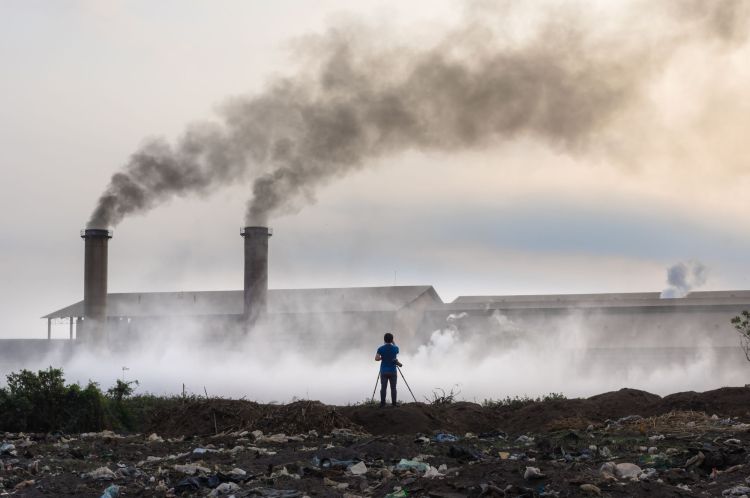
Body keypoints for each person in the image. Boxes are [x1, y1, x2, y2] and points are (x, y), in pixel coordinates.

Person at [375, 332, 401, 407]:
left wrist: (381, 358)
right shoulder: (395, 348)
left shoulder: (380, 348)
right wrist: (394, 342)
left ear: (384, 340)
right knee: (393, 388)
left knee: (383, 388)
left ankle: (382, 403)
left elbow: (376, 358)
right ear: (392, 339)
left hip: (383, 371)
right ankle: (394, 403)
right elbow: (397, 349)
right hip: (393, 371)